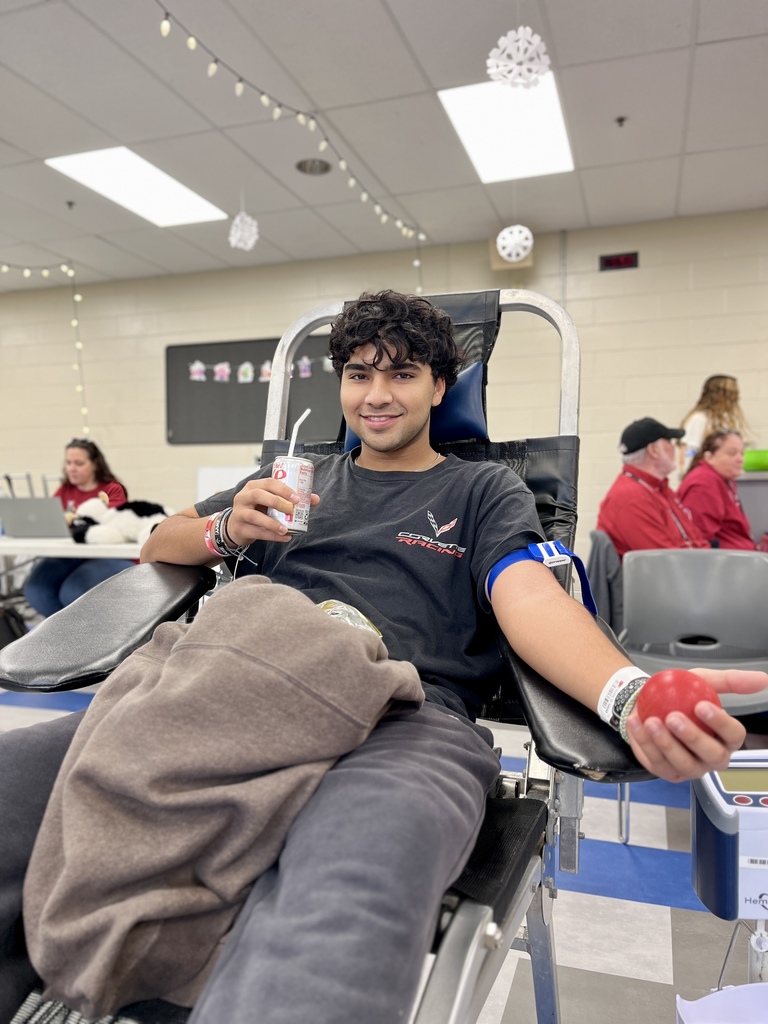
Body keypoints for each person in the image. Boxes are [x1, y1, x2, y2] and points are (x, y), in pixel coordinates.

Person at [2, 292, 766, 1024]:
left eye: (402, 373)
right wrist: (226, 532)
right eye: (359, 373)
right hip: (234, 684)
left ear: (440, 385)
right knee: (17, 787)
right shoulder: (296, 480)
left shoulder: (482, 488)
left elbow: (528, 596)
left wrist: (627, 694)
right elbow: (160, 542)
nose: (377, 394)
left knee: (355, 888)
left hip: (407, 716)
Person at [22, 439, 135, 617]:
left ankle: (80, 636)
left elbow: (111, 526)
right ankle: (63, 636)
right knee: (37, 590)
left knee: (73, 592)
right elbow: (54, 520)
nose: (71, 468)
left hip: (108, 555)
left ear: (95, 464)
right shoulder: (65, 489)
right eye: (68, 463)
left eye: (78, 463)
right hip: (74, 554)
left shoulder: (112, 489)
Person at [596, 417, 709, 560]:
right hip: (664, 579)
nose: (674, 448)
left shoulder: (658, 489)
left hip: (684, 572)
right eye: (669, 442)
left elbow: (695, 538)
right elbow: (663, 561)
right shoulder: (632, 499)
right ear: (653, 450)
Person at [677, 430, 756, 549]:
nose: (740, 459)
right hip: (727, 561)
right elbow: (701, 537)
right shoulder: (703, 484)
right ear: (710, 457)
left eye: (741, 453)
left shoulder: (723, 480)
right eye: (732, 453)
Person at [679, 374, 754, 477]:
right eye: (733, 394)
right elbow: (688, 455)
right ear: (720, 395)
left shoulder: (722, 421)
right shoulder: (699, 419)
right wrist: (691, 477)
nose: (738, 398)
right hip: (702, 479)